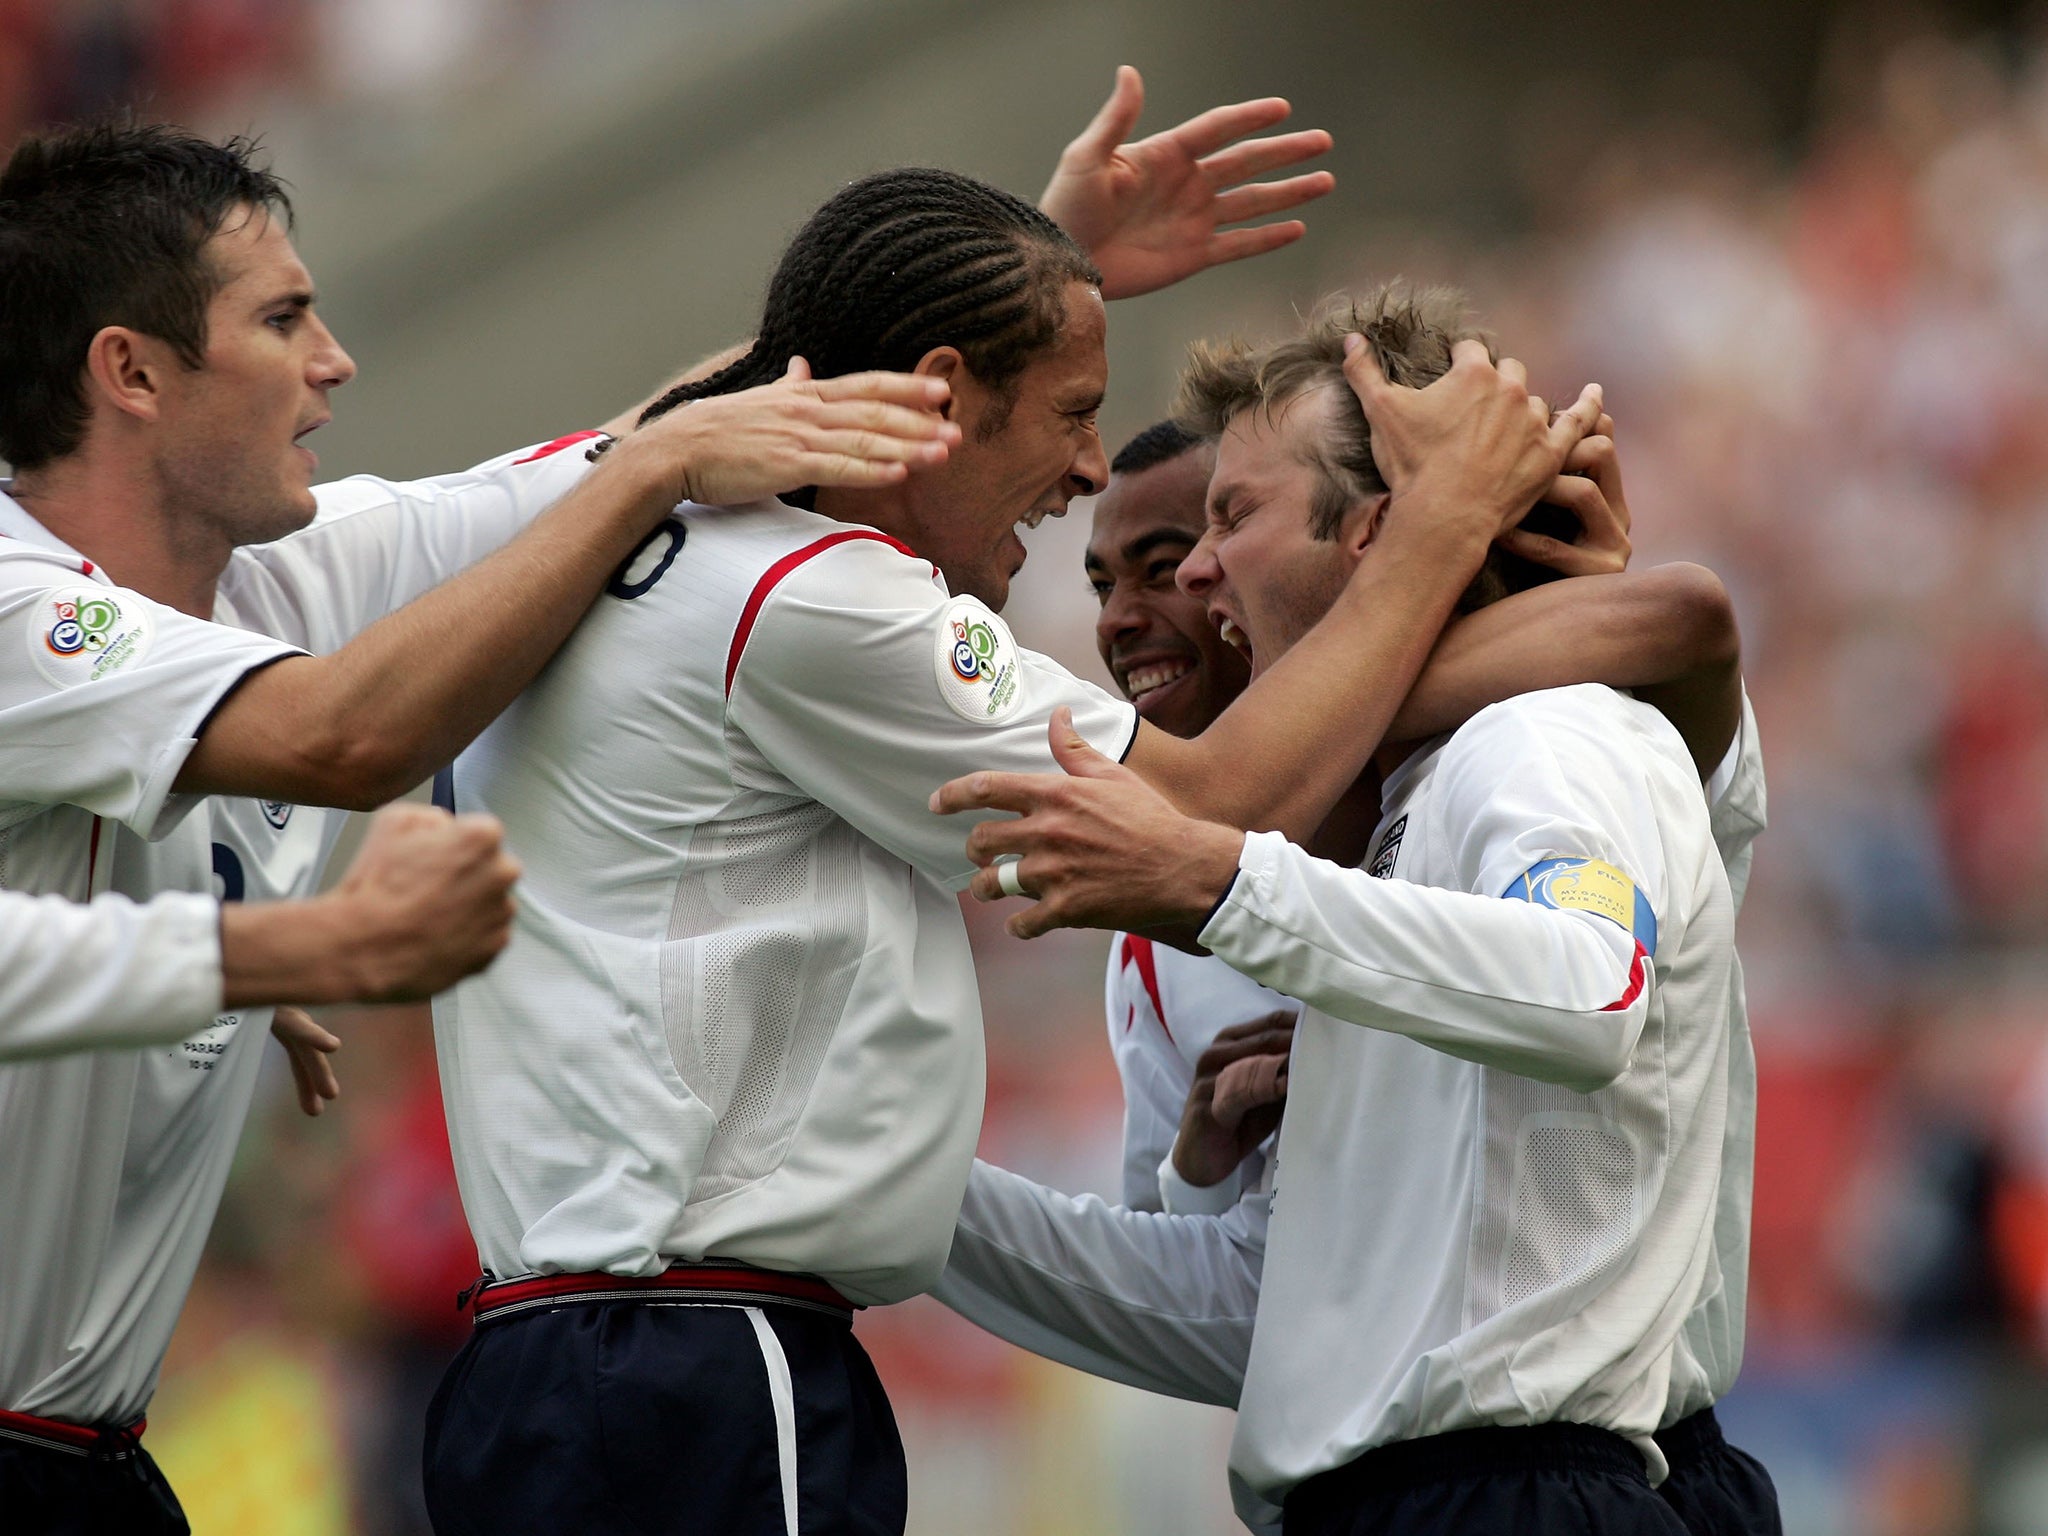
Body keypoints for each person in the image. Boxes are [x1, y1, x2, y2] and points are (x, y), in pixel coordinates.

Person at [419, 109, 1640, 1528]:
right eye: (1070, 414)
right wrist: (1437, 540)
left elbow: (773, 364)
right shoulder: (818, 594)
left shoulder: (591, 523)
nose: (1083, 472)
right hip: (699, 1362)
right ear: (941, 391)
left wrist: (1027, 273)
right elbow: (1213, 810)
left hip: (558, 1359)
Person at [0, 117, 957, 1536]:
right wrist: (283, 951)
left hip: (84, 1456)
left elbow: (618, 452)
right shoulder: (19, 607)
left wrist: (968, 312)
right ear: (130, 370)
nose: (335, 360)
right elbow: (350, 738)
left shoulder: (270, 577)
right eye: (281, 318)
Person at [933, 287, 1767, 1535]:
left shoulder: (1541, 738)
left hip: (1539, 1490)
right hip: (1402, 1498)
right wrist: (893, 1183)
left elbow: (1591, 984)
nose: (1180, 584)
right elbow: (1277, 1312)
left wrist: (1220, 883)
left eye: (1225, 518)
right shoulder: (1379, 830)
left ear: (1381, 532)